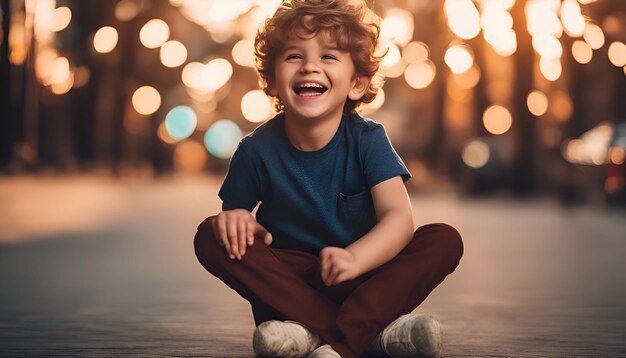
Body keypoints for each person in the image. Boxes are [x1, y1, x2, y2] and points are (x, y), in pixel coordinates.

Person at [194, 0, 463, 357]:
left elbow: (399, 219)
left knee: (444, 240)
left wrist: (354, 258)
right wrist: (238, 222)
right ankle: (365, 336)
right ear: (272, 80)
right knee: (210, 235)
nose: (309, 66)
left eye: (328, 57)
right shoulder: (254, 151)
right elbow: (235, 222)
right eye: (293, 56)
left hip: (365, 276)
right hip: (292, 285)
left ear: (356, 83)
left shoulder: (369, 140)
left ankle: (315, 337)